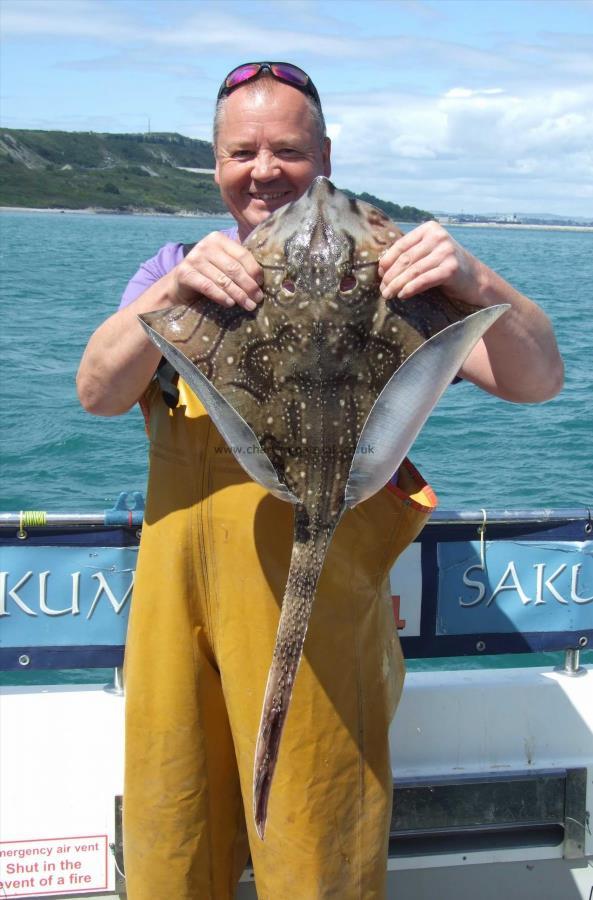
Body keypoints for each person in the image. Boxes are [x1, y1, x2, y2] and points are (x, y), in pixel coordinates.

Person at [77, 62, 563, 899]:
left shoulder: (404, 280)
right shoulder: (174, 266)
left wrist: (471, 279)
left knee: (314, 850)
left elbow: (535, 379)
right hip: (178, 607)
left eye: (287, 151)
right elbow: (97, 391)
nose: (263, 170)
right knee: (172, 822)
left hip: (323, 606)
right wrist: (174, 290)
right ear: (217, 162)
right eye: (241, 152)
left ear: (325, 154)